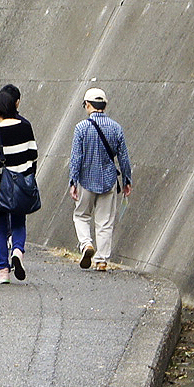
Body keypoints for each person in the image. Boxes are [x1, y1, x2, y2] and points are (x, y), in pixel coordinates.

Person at [69, 86, 134, 271]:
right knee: (105, 221)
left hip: (86, 179)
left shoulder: (81, 128)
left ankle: (86, 244)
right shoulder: (116, 128)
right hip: (108, 180)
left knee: (81, 215)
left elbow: (76, 158)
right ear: (104, 105)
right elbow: (124, 158)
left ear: (88, 105)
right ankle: (102, 261)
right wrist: (127, 180)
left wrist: (73, 181)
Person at [0, 91, 39, 283]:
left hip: (1, 187)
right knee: (19, 221)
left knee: (0, 228)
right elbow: (33, 154)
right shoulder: (26, 127)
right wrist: (27, 175)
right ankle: (17, 250)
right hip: (22, 184)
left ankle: (3, 272)